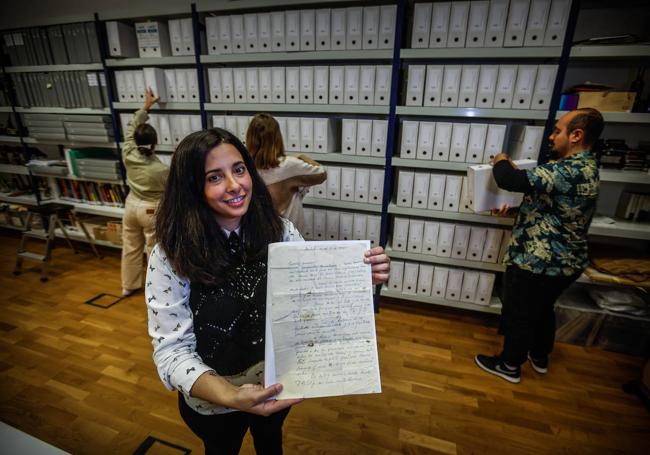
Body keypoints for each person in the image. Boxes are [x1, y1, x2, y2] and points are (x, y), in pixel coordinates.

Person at [145, 127, 390, 454]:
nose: (235, 186)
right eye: (214, 177)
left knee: (271, 442)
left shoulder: (280, 230)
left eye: (239, 169)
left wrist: (357, 278)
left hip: (275, 386)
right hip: (214, 403)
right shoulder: (170, 254)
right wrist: (231, 396)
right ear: (192, 188)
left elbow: (309, 300)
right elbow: (171, 352)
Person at [475, 108, 604, 384]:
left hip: (539, 261)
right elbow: (555, 207)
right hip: (566, 262)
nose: (551, 136)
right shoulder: (588, 167)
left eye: (558, 130)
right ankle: (540, 356)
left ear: (576, 135)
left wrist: (501, 159)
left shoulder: (568, 169)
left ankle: (509, 365)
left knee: (520, 312)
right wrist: (513, 213)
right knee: (542, 309)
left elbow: (508, 179)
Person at [121, 88, 169, 296]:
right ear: (155, 143)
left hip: (131, 206)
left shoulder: (128, 152)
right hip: (151, 211)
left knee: (130, 246)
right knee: (154, 250)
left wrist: (146, 106)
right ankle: (155, 290)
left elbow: (132, 127)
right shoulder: (161, 170)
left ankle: (128, 286)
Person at [245, 113, 326, 232]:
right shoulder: (289, 165)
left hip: (260, 232)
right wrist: (301, 156)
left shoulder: (245, 167)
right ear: (277, 138)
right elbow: (322, 174)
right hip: (289, 235)